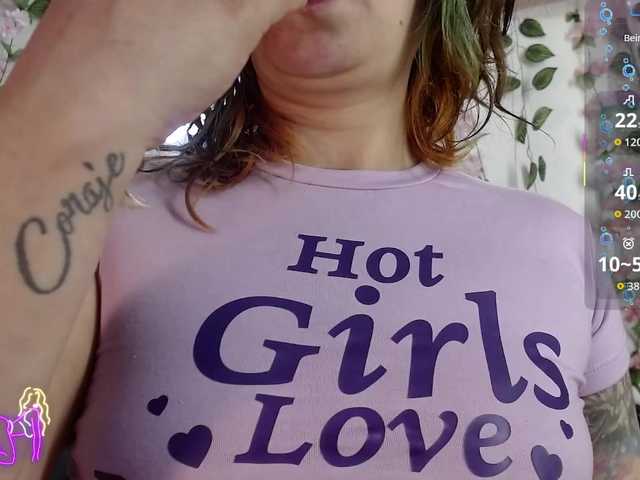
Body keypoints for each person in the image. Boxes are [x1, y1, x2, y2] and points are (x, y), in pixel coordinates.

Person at [1, 0, 639, 479]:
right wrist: (80, 100)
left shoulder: (560, 241)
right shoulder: (102, 214)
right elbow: (12, 443)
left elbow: (620, 463)